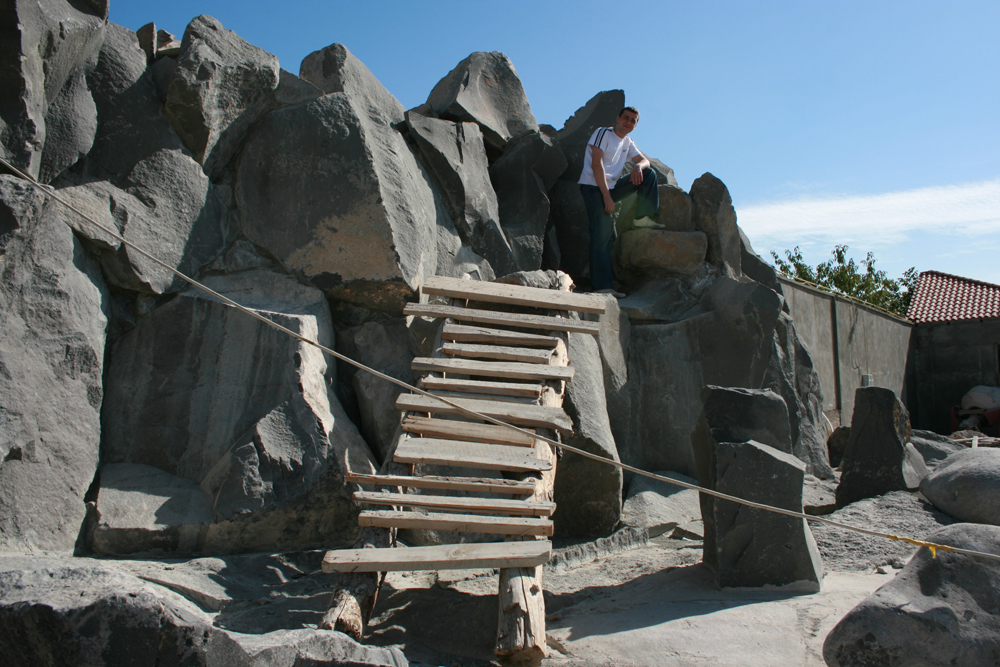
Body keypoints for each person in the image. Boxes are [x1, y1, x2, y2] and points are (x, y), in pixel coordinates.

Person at [578, 106, 659, 295]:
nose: (628, 122)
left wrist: (638, 167)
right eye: (626, 118)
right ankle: (602, 287)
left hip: (612, 189)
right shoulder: (603, 133)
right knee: (601, 236)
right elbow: (596, 164)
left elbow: (645, 161)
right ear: (618, 118)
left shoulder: (627, 142)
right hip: (594, 189)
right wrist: (607, 197)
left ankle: (642, 218)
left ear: (635, 125)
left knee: (649, 174)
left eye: (633, 120)